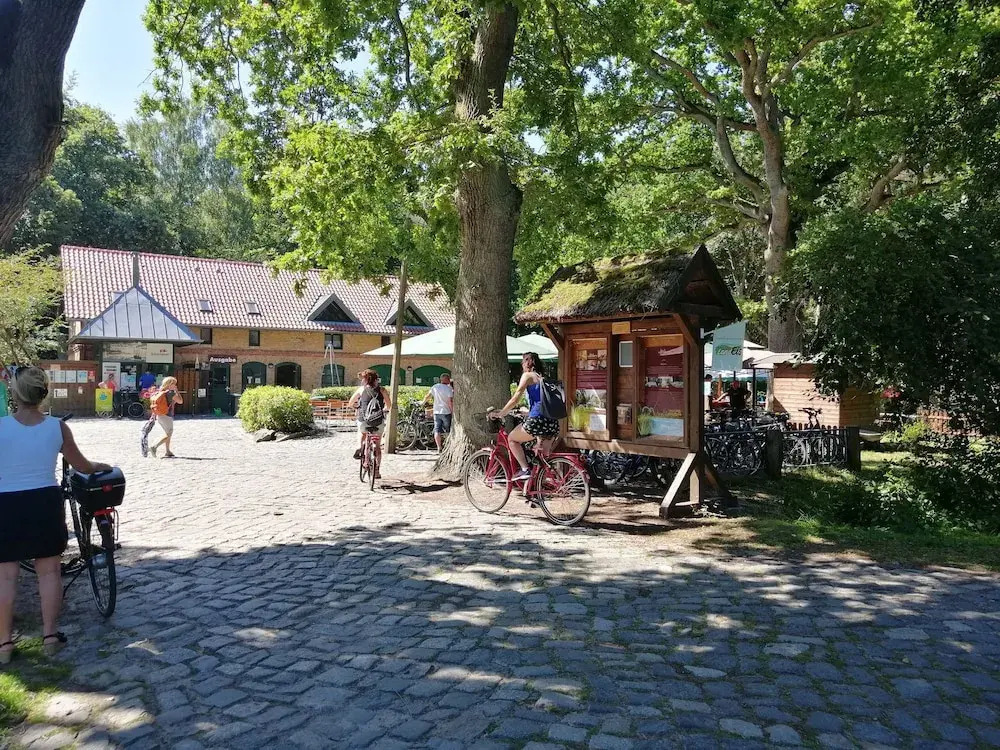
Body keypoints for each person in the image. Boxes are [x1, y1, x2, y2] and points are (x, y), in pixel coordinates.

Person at [0, 367, 111, 663]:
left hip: (6, 503)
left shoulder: (0, 427)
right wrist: (100, 466)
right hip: (44, 502)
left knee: (5, 576)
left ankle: (4, 644)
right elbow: (82, 465)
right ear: (43, 393)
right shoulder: (57, 428)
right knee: (49, 572)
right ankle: (50, 637)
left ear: (14, 393)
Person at [492, 352, 559, 482]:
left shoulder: (527, 375)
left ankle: (524, 469)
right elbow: (541, 402)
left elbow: (516, 398)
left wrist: (502, 413)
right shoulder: (543, 378)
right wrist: (527, 412)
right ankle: (541, 487)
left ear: (527, 363)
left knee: (512, 439)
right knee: (543, 460)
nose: (522, 365)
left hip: (537, 420)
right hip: (551, 421)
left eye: (523, 362)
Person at [347, 369, 391, 477]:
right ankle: (376, 471)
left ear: (365, 380)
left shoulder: (361, 389)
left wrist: (356, 407)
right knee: (378, 446)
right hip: (378, 421)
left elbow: (350, 403)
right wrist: (384, 410)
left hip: (364, 420)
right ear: (376, 379)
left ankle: (360, 446)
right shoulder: (382, 390)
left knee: (361, 431)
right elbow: (389, 405)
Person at [147, 377, 183, 459]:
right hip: (167, 415)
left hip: (159, 415)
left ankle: (167, 451)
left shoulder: (160, 391)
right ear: (170, 384)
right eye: (174, 384)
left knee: (167, 433)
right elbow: (180, 401)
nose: (175, 385)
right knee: (168, 433)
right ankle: (154, 446)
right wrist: (177, 391)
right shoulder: (170, 393)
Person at [424, 374, 454, 452]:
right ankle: (448, 446)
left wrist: (423, 402)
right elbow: (450, 402)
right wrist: (452, 411)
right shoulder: (449, 389)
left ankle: (439, 447)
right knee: (448, 430)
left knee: (437, 430)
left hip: (436, 412)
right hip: (446, 412)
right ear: (448, 380)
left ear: (441, 380)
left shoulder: (435, 387)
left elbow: (428, 396)